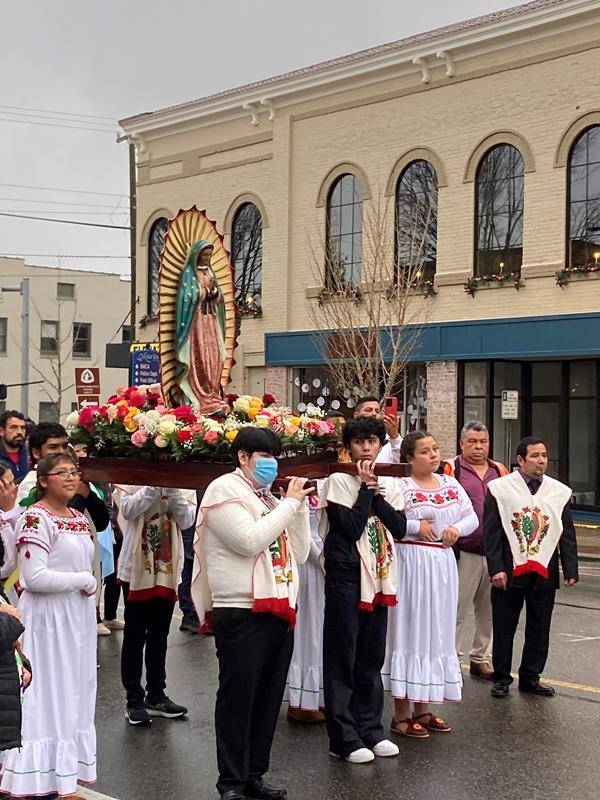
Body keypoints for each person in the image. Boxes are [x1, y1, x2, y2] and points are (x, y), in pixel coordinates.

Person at [191, 427, 312, 800]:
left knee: (267, 698)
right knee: (238, 698)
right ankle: (230, 781)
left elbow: (302, 552)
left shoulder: (267, 498)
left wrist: (299, 508)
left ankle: (253, 776)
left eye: (275, 457)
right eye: (263, 457)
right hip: (241, 609)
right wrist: (289, 505)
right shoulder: (223, 489)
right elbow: (247, 542)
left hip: (277, 607)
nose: (271, 465)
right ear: (243, 457)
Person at [0, 453, 97, 799]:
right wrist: (83, 579)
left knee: (74, 690)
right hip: (47, 619)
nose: (71, 478)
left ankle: (64, 776)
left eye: (74, 472)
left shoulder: (77, 518)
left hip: (75, 618)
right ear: (43, 480)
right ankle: (34, 776)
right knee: (47, 693)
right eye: (62, 473)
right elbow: (34, 576)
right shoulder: (35, 518)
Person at [320, 416, 406, 763]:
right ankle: (343, 737)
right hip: (347, 577)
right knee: (343, 655)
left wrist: (375, 491)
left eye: (372, 441)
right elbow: (353, 527)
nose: (367, 447)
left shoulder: (391, 483)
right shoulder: (337, 481)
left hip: (381, 576)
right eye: (359, 442)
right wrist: (364, 490)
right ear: (348, 446)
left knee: (371, 657)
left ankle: (371, 728)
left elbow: (399, 526)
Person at [383, 431, 478, 738]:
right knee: (410, 631)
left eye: (436, 449)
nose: (434, 455)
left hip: (442, 563)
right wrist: (414, 527)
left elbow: (472, 516)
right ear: (409, 458)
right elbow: (387, 519)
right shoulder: (400, 486)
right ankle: (401, 713)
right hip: (411, 563)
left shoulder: (450, 484)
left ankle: (424, 708)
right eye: (425, 452)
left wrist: (455, 528)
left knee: (435, 632)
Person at [484, 437, 578, 698]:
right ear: (520, 460)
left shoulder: (558, 491)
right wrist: (496, 569)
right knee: (505, 626)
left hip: (543, 571)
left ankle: (531, 677)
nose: (541, 460)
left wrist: (570, 568)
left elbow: (566, 532)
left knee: (540, 627)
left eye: (544, 455)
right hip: (509, 569)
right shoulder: (500, 489)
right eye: (535, 456)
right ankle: (501, 677)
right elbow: (491, 533)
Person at [113, 482, 196, 725]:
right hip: (137, 566)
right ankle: (133, 699)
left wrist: (171, 490)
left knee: (160, 634)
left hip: (167, 567)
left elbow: (187, 519)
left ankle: (156, 695)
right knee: (135, 634)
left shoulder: (181, 482)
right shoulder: (131, 478)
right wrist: (152, 486)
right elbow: (128, 510)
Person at [18, 425, 112, 636]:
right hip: (50, 600)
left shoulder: (72, 480)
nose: (61, 452)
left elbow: (102, 522)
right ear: (36, 453)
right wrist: (75, 495)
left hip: (77, 596)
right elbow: (56, 526)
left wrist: (86, 493)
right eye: (53, 447)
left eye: (64, 446)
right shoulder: (31, 487)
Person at [443, 421, 509, 680]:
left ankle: (481, 658)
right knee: (456, 609)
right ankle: (452, 659)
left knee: (489, 611)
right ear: (461, 443)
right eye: (472, 441)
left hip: (493, 554)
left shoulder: (499, 470)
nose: (478, 446)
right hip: (464, 551)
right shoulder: (451, 469)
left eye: (483, 441)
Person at [286, 479, 326, 723]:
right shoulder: (294, 481)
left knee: (323, 629)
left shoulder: (330, 480)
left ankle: (322, 694)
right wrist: (321, 559)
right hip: (306, 561)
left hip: (330, 560)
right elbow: (297, 527)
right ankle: (301, 698)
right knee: (307, 629)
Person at [175, 240, 228, 414]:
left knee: (216, 357)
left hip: (210, 322)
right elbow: (186, 297)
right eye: (204, 255)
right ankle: (200, 396)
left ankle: (212, 394)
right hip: (196, 324)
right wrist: (204, 291)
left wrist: (214, 292)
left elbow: (219, 298)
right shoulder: (189, 273)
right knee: (200, 359)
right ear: (197, 255)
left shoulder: (210, 271)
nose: (207, 258)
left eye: (209, 255)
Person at [353, 396, 402, 463]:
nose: (374, 414)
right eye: (368, 410)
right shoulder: (350, 438)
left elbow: (401, 461)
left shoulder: (389, 441)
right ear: (356, 415)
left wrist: (394, 436)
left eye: (377, 411)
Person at [0, 411, 28, 484]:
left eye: (22, 428)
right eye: (14, 427)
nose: (19, 432)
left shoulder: (31, 455)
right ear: (1, 431)